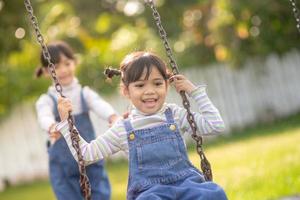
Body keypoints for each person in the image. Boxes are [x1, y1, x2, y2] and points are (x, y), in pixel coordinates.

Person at [56, 51, 228, 200]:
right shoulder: (123, 129)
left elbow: (215, 125)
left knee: (213, 194)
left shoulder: (175, 115)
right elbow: (85, 155)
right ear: (126, 90)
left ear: (167, 85)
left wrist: (195, 92)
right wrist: (66, 123)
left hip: (187, 184)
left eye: (157, 83)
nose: (150, 91)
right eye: (140, 85)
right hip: (149, 193)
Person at [35, 41, 118, 200]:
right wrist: (52, 126)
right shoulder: (47, 99)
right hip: (63, 166)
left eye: (67, 63)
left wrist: (112, 116)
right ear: (46, 71)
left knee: (100, 194)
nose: (64, 70)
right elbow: (44, 116)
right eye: (56, 66)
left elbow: (99, 104)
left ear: (75, 63)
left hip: (90, 160)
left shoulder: (84, 93)